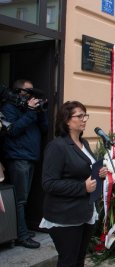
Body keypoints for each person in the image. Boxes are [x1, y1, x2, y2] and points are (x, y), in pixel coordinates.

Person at [40, 101, 108, 267]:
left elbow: (85, 171)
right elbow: (48, 184)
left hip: (84, 211)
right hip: (65, 215)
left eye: (85, 115)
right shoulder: (57, 146)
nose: (84, 119)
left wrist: (99, 174)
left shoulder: (83, 143)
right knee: (68, 261)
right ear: (66, 120)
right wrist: (82, 187)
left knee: (79, 260)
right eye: (80, 116)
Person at [0, 79, 48, 249]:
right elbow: (12, 131)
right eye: (29, 91)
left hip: (31, 157)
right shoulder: (8, 108)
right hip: (18, 158)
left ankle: (23, 229)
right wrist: (29, 112)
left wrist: (39, 111)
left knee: (25, 198)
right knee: (20, 199)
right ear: (19, 92)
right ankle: (21, 235)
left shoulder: (30, 109)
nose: (32, 94)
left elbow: (44, 128)